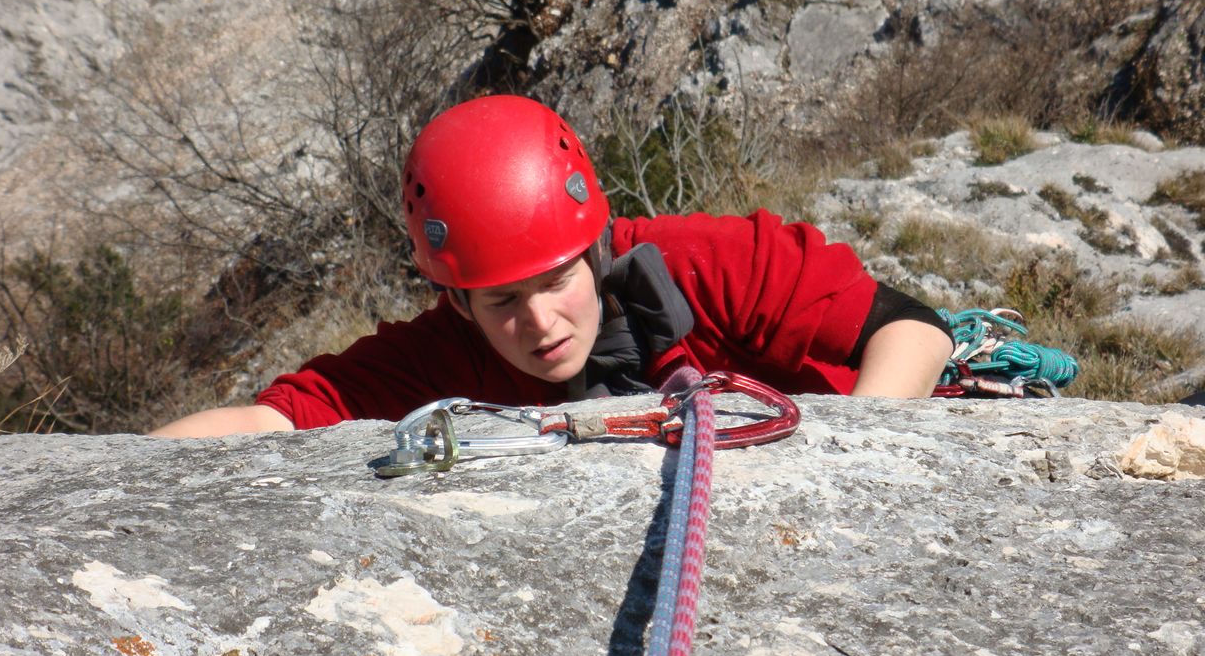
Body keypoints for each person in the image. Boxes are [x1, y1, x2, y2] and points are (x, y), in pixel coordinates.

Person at [150, 95, 954, 438]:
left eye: (557, 282)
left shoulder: (703, 263)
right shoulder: (439, 356)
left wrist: (845, 464)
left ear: (597, 252)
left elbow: (912, 329)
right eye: (502, 301)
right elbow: (270, 424)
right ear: (456, 302)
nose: (539, 324)